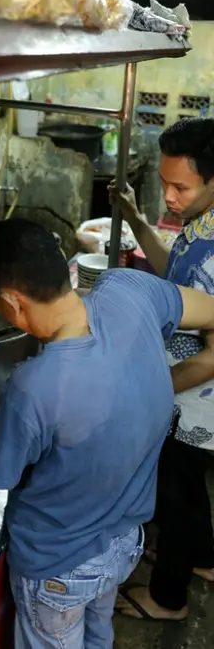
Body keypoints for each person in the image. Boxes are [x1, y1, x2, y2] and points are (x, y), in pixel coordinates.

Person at [0, 218, 214, 649]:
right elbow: (210, 309)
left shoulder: (34, 386)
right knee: (97, 629)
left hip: (58, 568)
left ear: (12, 302)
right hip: (124, 545)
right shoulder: (130, 288)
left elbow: (0, 472)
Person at [109, 116, 214, 622]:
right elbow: (172, 271)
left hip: (198, 405)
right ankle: (206, 560)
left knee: (177, 495)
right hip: (183, 391)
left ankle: (167, 599)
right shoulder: (202, 221)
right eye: (165, 183)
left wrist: (152, 388)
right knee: (190, 488)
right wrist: (133, 216)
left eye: (181, 187)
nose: (169, 196)